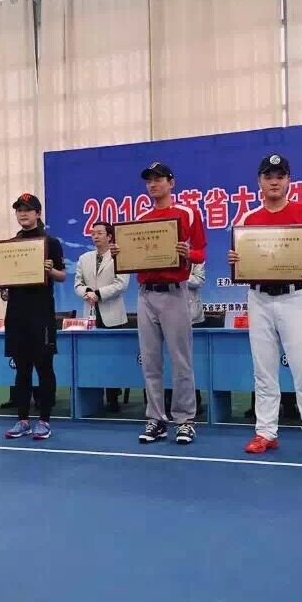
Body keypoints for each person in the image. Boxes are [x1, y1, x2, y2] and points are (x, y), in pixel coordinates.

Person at [227, 153, 302, 458]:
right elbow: (239, 261)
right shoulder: (247, 219)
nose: (274, 182)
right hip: (259, 298)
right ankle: (265, 432)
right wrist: (235, 261)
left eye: (280, 176)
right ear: (259, 181)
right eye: (268, 176)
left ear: (289, 180)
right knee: (263, 370)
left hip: (294, 297)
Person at [112, 161, 207, 445]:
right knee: (150, 361)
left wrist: (188, 252)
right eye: (149, 180)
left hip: (176, 292)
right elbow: (133, 257)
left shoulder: (188, 213)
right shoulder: (141, 218)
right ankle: (156, 418)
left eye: (158, 179)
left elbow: (201, 253)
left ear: (171, 182)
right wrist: (120, 253)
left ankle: (185, 420)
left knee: (181, 361)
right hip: (146, 294)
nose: (153, 184)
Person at [0, 193, 66, 440]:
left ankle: (45, 420)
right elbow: (6, 291)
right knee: (21, 369)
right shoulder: (10, 245)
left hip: (41, 313)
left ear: (37, 213)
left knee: (44, 367)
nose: (23, 214)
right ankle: (22, 420)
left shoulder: (51, 242)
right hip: (16, 313)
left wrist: (51, 271)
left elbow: (62, 276)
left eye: (28, 209)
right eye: (19, 210)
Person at [74, 221, 130, 412]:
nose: (95, 236)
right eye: (93, 233)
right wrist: (87, 293)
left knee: (112, 359)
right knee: (93, 357)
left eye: (99, 233)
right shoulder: (84, 258)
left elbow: (121, 284)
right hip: (90, 313)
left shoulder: (118, 256)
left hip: (113, 313)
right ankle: (94, 398)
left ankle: (113, 398)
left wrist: (98, 294)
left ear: (109, 236)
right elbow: (78, 284)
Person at [164, 261, 205, 418]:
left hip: (191, 315)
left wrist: (176, 276)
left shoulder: (195, 256)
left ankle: (194, 401)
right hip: (166, 310)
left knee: (187, 360)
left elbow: (198, 280)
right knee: (169, 359)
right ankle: (168, 401)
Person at [0, 287, 41, 410]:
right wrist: (4, 291)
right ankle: (17, 399)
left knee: (37, 360)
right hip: (16, 319)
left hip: (36, 317)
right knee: (20, 365)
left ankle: (39, 398)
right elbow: (4, 295)